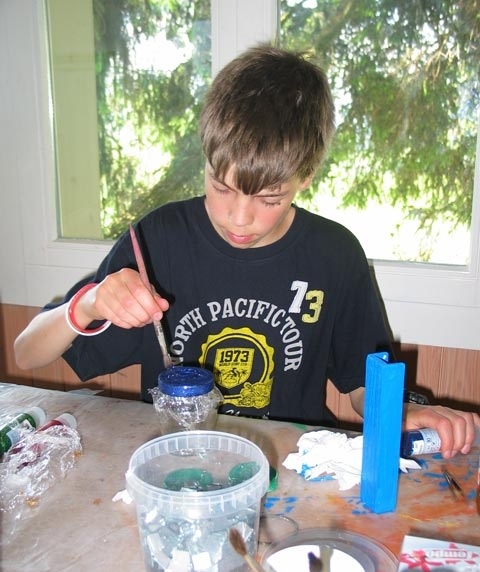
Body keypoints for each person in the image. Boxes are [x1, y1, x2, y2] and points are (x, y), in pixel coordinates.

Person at [14, 45, 479, 458]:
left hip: (290, 467)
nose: (239, 218)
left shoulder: (334, 255)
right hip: (179, 463)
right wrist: (90, 303)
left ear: (305, 177)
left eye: (269, 199)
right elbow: (26, 354)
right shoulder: (157, 241)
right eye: (221, 187)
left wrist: (402, 412)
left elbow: (361, 387)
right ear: (205, 160)